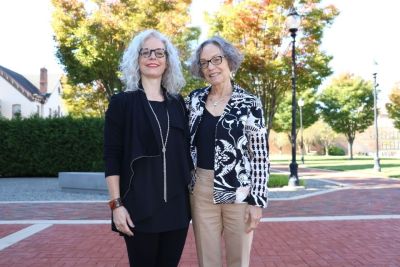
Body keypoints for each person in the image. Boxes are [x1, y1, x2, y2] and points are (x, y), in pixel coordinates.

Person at [103, 29, 192, 267]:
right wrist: (116, 205)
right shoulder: (122, 103)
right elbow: (111, 157)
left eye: (159, 52)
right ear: (137, 58)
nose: (153, 57)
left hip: (177, 209)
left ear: (167, 61)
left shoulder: (178, 103)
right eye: (146, 52)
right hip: (138, 208)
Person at [185, 36, 270, 267]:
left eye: (216, 59)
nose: (211, 67)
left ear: (229, 60)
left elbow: (260, 155)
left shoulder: (250, 102)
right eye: (204, 63)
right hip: (201, 190)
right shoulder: (193, 100)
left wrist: (257, 201)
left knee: (238, 261)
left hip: (239, 192)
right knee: (207, 261)